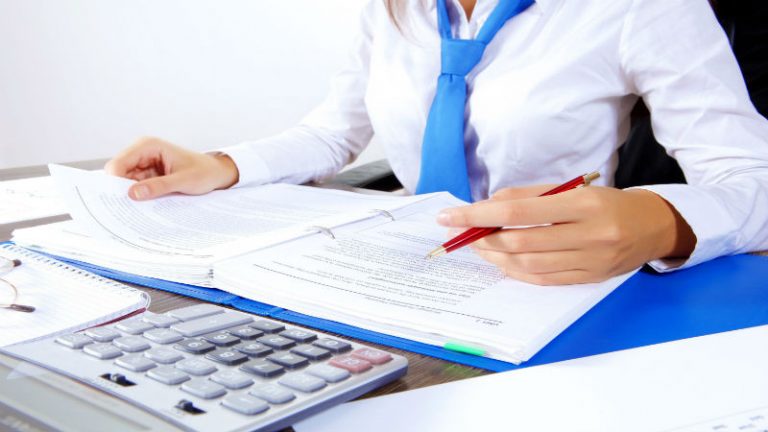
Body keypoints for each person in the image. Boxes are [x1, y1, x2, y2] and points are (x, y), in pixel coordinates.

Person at [105, 0, 768, 285]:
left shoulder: (638, 8)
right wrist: (221, 166)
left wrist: (660, 221)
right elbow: (333, 131)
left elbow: (753, 180)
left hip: (548, 273)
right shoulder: (396, 8)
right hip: (403, 262)